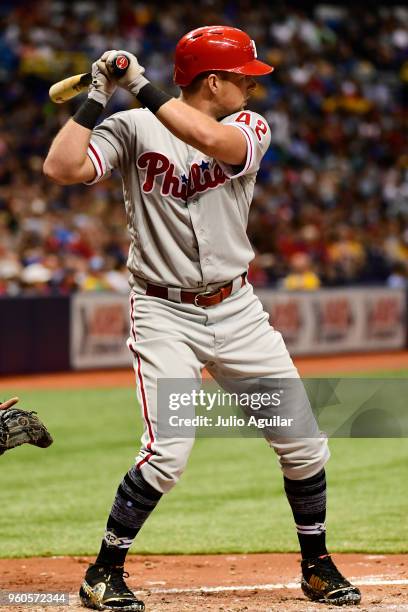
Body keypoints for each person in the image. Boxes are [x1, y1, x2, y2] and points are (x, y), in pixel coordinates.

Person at [44, 26, 361, 611]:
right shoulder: (132, 125)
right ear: (214, 80)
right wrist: (97, 94)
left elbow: (211, 142)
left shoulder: (247, 128)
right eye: (243, 75)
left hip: (236, 309)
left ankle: (317, 567)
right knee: (168, 452)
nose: (250, 85)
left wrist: (135, 82)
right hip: (164, 311)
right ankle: (103, 573)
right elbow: (61, 168)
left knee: (306, 445)